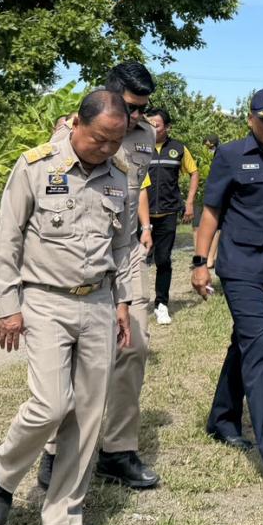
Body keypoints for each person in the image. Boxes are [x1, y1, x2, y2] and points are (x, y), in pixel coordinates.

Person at [0, 90, 135, 525]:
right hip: (44, 300)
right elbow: (6, 240)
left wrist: (124, 301)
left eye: (117, 141)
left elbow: (124, 246)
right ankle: (4, 470)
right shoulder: (36, 166)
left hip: (100, 302)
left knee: (87, 415)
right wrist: (7, 307)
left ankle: (63, 519)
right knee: (51, 404)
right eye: (100, 140)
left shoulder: (120, 176)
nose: (108, 150)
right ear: (76, 124)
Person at [38, 60, 160, 492]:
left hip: (123, 254)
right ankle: (56, 451)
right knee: (72, 359)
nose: (137, 118)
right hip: (77, 256)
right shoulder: (73, 128)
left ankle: (117, 450)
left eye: (144, 108)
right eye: (131, 107)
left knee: (134, 348)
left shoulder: (145, 136)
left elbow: (134, 193)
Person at [191, 87, 263, 486]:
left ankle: (222, 419)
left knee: (245, 343)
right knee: (259, 349)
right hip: (240, 266)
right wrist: (200, 262)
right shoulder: (229, 155)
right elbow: (211, 210)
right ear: (251, 119)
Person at [138, 108, 199, 326]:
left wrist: (189, 202)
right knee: (136, 261)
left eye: (157, 124)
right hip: (139, 214)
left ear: (168, 127)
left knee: (163, 260)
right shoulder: (138, 146)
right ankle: (132, 303)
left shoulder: (179, 148)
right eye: (150, 124)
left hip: (168, 213)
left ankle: (161, 304)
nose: (153, 128)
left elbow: (194, 172)